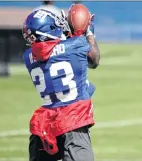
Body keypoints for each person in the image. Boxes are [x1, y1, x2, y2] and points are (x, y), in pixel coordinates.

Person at [22, 8, 100, 161]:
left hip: (45, 126)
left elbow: (53, 50)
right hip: (72, 121)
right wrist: (88, 31)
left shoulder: (28, 57)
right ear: (49, 29)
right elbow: (94, 59)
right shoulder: (76, 45)